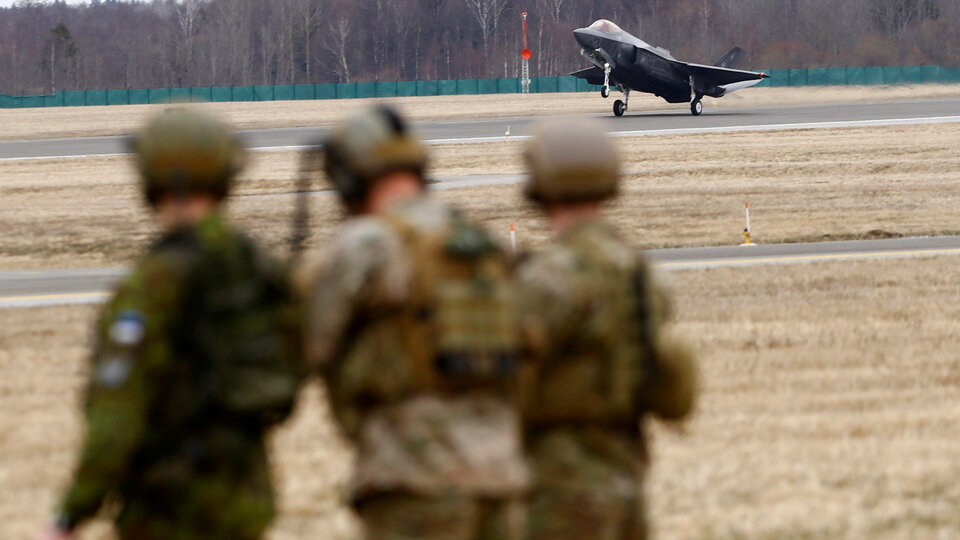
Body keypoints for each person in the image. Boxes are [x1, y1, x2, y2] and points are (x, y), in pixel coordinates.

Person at [41, 109, 305, 540]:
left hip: (167, 511)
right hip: (245, 503)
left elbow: (117, 414)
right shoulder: (259, 267)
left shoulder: (155, 283)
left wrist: (70, 515)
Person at [299, 105, 527, 540]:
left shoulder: (365, 245)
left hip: (412, 483)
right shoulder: (480, 245)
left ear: (349, 180)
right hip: (502, 480)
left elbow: (305, 346)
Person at [516, 118, 699, 540]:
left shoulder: (545, 280)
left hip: (558, 488)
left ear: (540, 186)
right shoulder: (642, 275)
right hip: (625, 478)